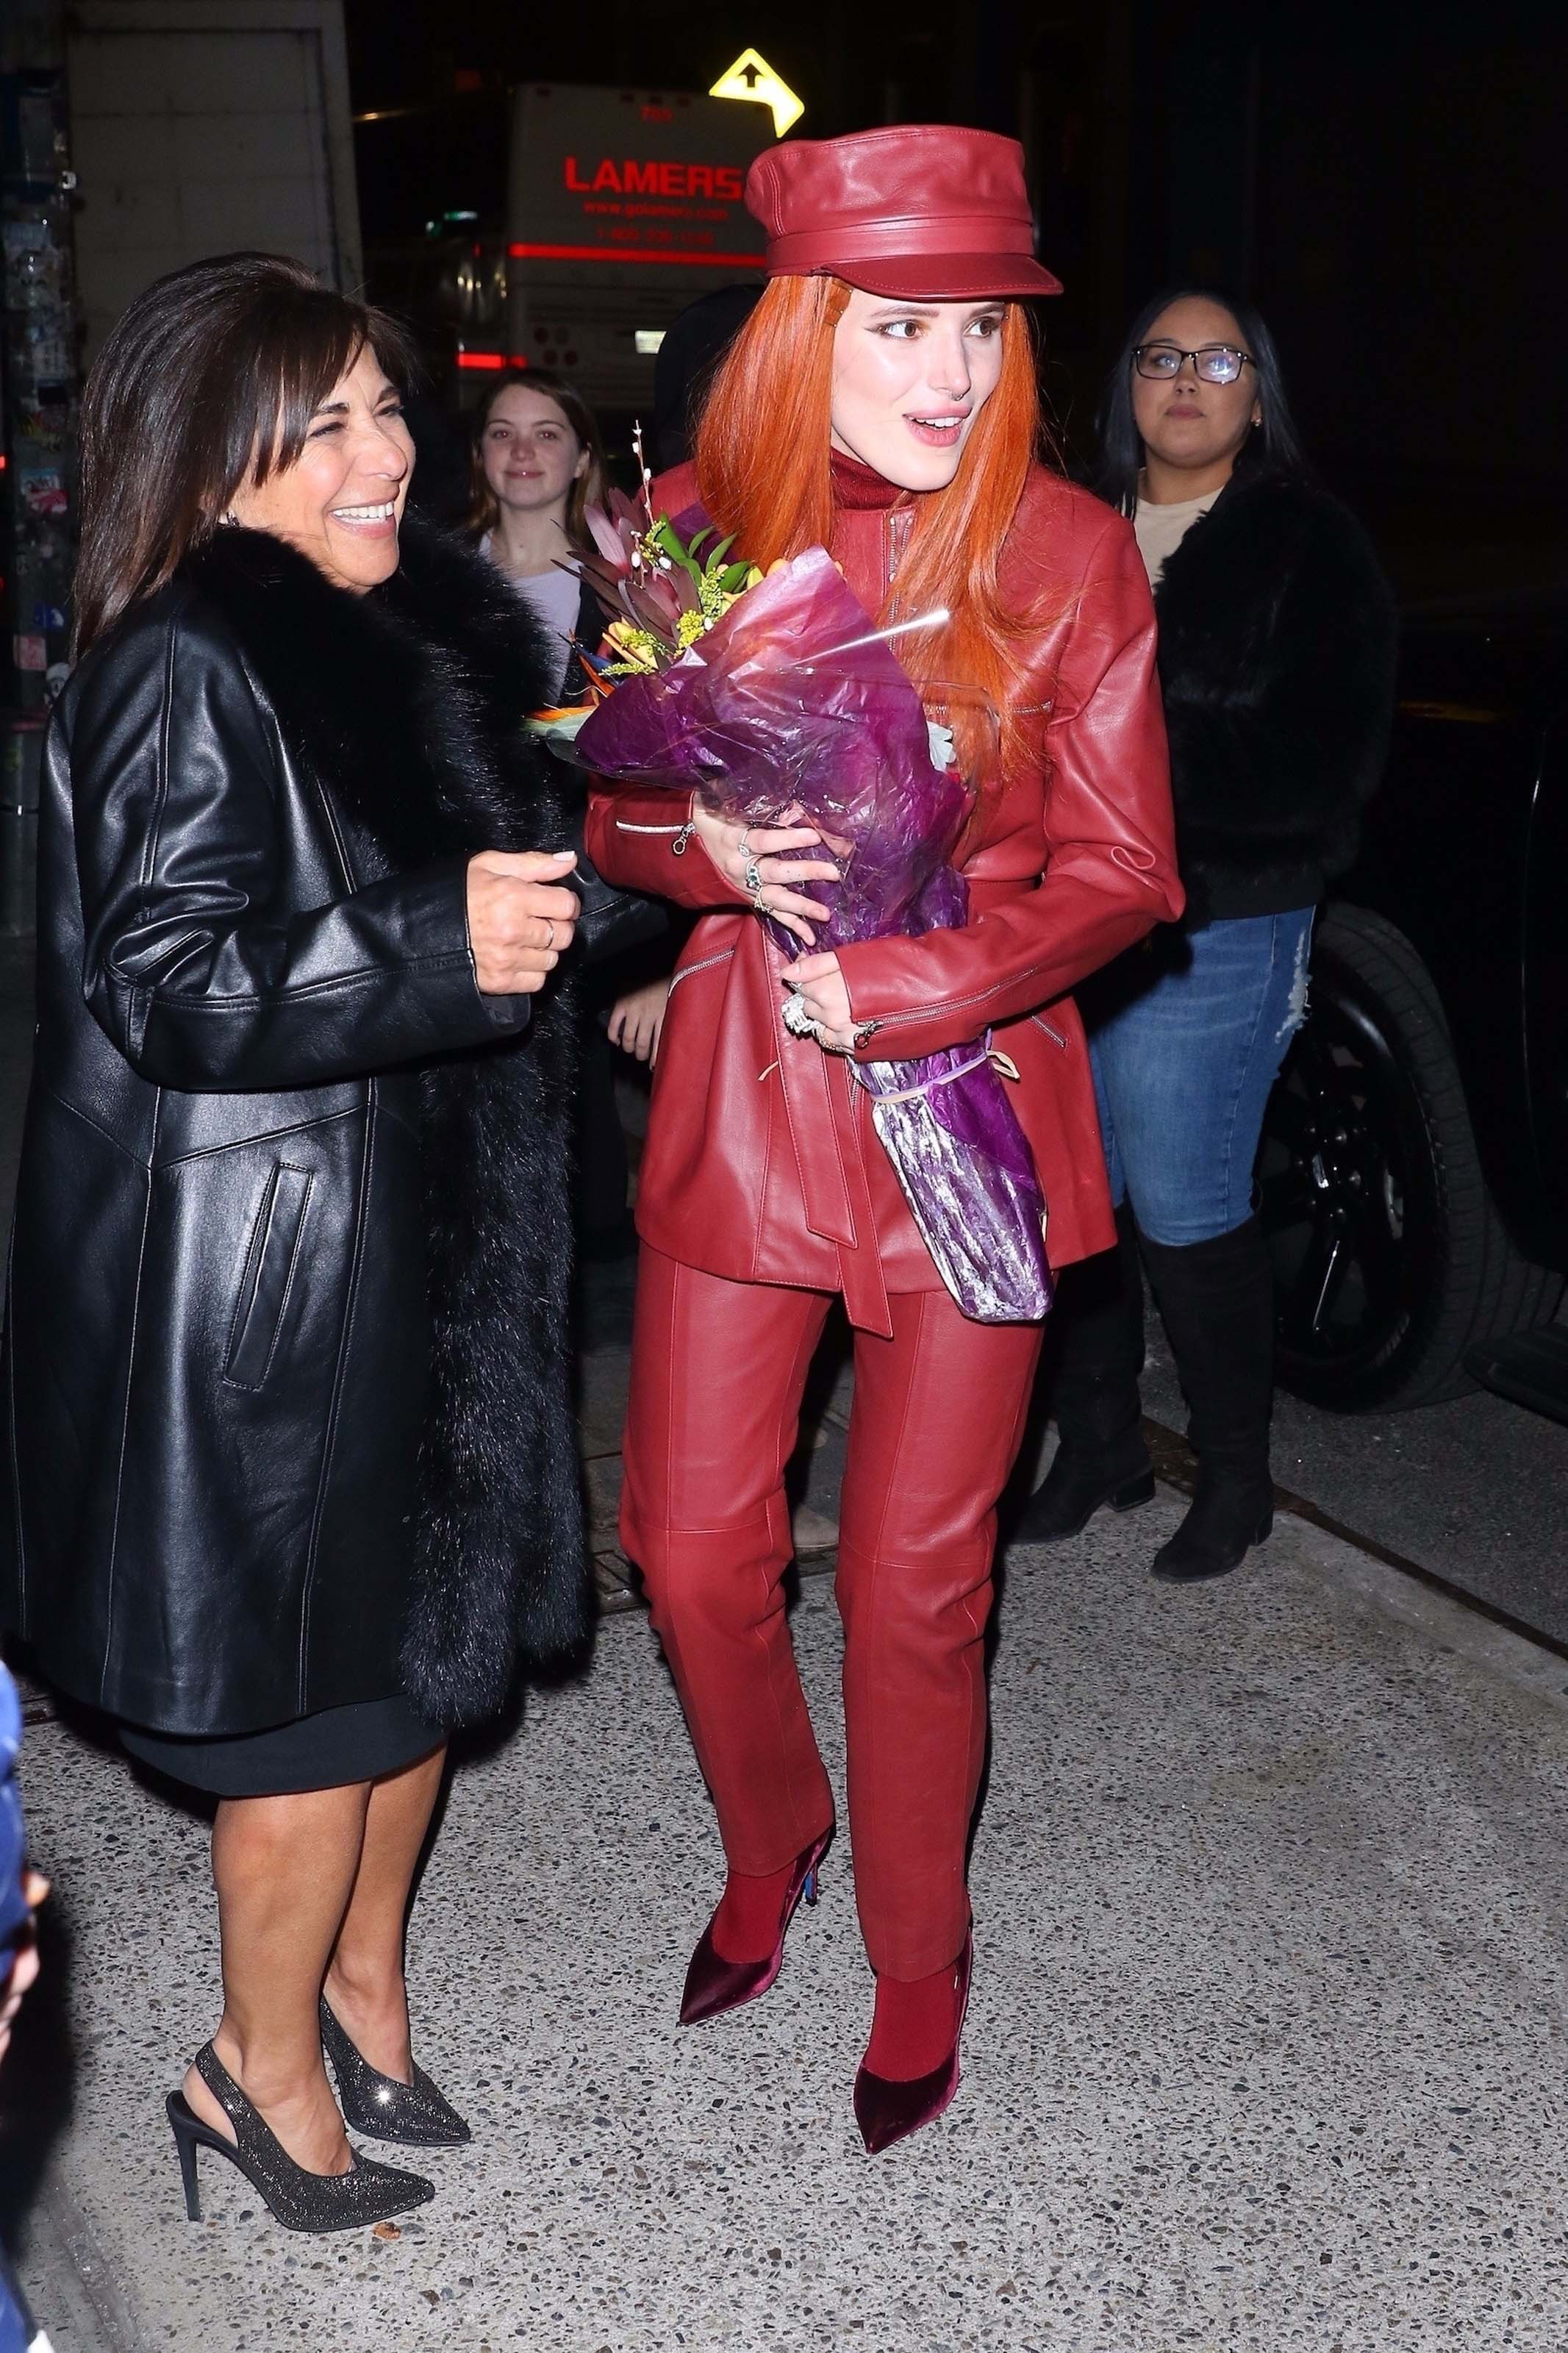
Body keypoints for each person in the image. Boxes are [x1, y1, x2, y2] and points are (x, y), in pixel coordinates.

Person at [584, 126, 1182, 2153]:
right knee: (683, 1548)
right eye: (894, 323)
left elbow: (1122, 873)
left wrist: (932, 979)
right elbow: (613, 810)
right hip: (754, 1094)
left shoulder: (1064, 550)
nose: (945, 372)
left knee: (917, 1590)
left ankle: (916, 1960)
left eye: (977, 330)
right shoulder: (690, 528)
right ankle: (777, 1836)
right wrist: (705, 850)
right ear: (798, 331)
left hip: (975, 1111)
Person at [0, 254, 588, 2232]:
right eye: (322, 419)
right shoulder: (180, 662)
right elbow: (167, 983)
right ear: (212, 446)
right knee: (320, 1724)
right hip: (273, 1290)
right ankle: (246, 2078)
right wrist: (434, 944)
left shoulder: (401, 638)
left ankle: (356, 1989)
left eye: (387, 410)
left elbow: (516, 906)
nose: (382, 452)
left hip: (417, 1257)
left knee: (421, 1683)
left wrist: (698, 871)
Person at [1014, 287, 1396, 1578]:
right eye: (1160, 357)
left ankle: (1236, 1477)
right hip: (1050, 919)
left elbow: (1321, 761)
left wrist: (1119, 786)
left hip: (1217, 918)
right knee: (1073, 1200)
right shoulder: (1064, 531)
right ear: (1125, 385)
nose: (1186, 379)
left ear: (1256, 389)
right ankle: (1101, 1441)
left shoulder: (1308, 543)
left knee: (1182, 1205)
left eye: (1218, 359)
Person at [468, 366, 606, 704]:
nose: (522, 451)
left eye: (546, 435)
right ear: (480, 454)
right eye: (502, 434)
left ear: (582, 460)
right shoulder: (434, 573)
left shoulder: (618, 592)